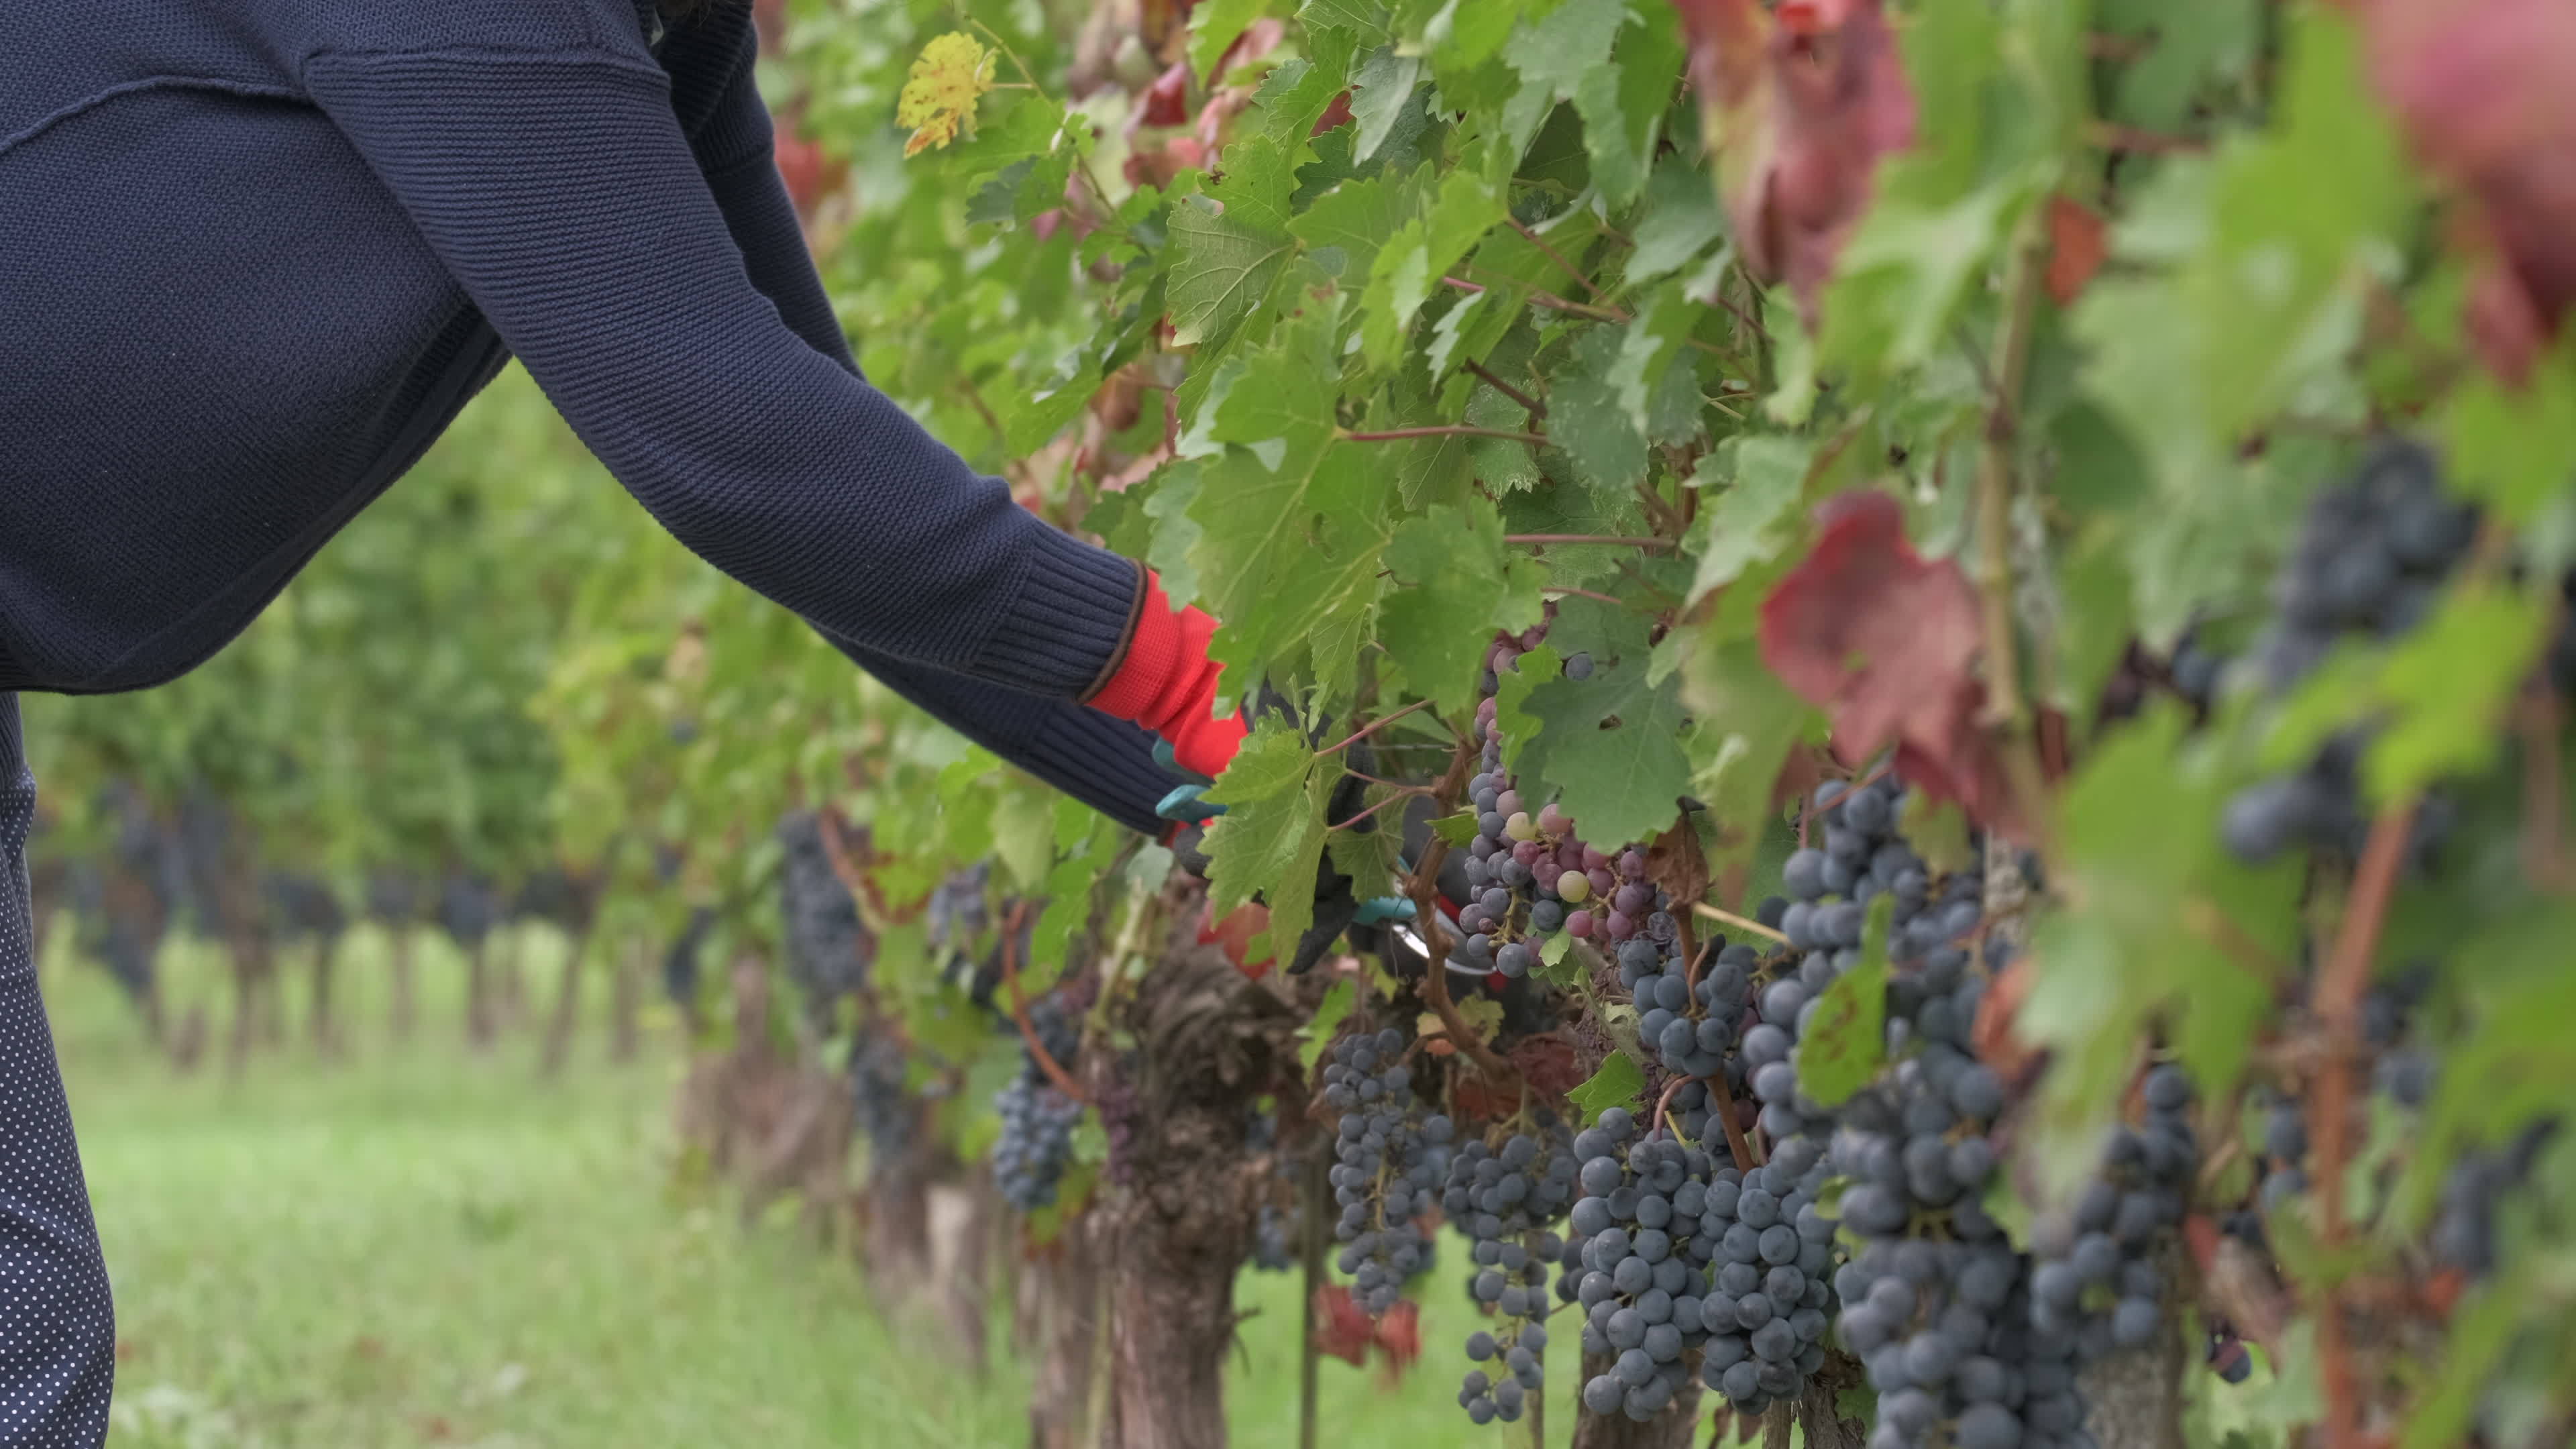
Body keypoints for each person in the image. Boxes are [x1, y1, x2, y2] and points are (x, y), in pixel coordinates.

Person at [0, 0, 1248, 1439]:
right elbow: (727, 438)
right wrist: (1180, 675)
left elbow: (821, 493)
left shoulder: (664, 33)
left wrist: (1216, 799)